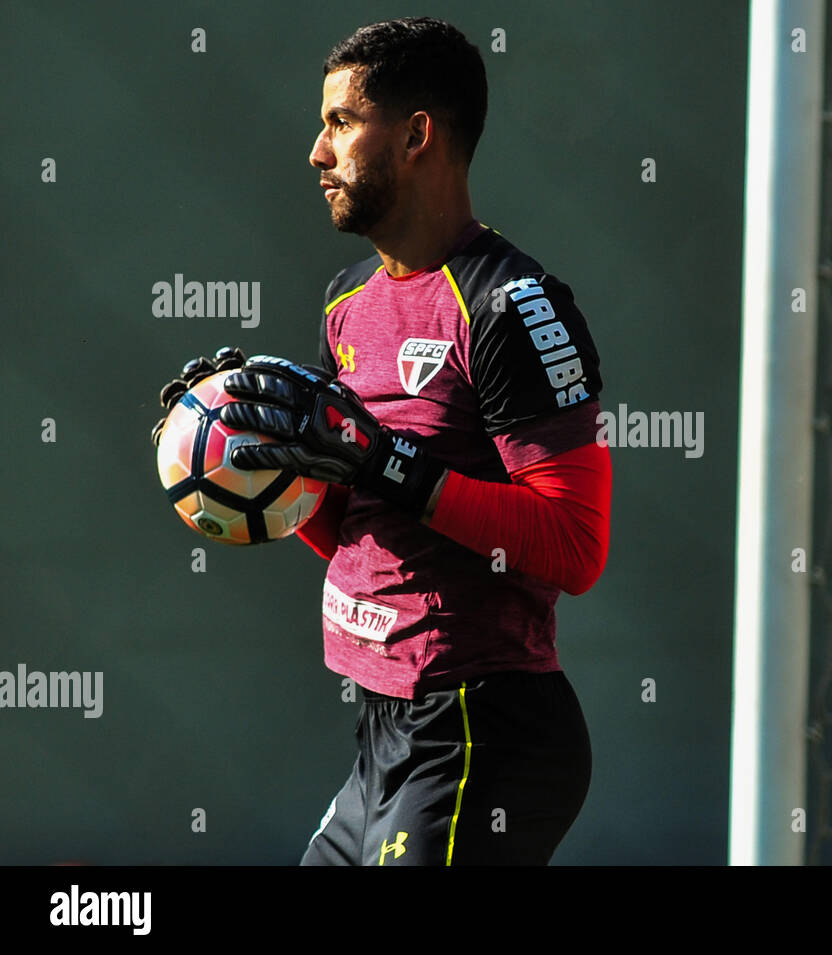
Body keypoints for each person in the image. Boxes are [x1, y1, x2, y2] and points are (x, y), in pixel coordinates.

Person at [150, 17, 611, 866]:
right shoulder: (344, 302)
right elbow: (355, 529)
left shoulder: (513, 306)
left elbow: (575, 548)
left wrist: (385, 463)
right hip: (381, 729)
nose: (316, 154)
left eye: (338, 122)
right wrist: (247, 474)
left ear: (415, 136)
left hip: (484, 730)